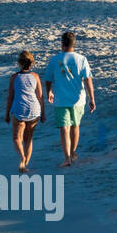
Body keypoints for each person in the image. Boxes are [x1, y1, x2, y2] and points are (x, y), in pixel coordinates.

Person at [44, 31, 96, 168]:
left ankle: (67, 158)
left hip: (61, 100)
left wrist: (48, 91)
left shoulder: (55, 60)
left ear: (62, 44)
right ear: (74, 44)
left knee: (64, 129)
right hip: (78, 99)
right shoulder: (81, 59)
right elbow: (88, 80)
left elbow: (48, 79)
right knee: (75, 126)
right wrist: (92, 98)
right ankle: (72, 153)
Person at [4, 51, 45, 172]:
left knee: (17, 138)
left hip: (19, 109)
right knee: (28, 139)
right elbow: (40, 96)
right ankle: (25, 165)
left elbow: (10, 97)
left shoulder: (14, 77)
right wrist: (43, 113)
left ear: (19, 63)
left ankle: (22, 158)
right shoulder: (36, 76)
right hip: (34, 109)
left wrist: (6, 114)